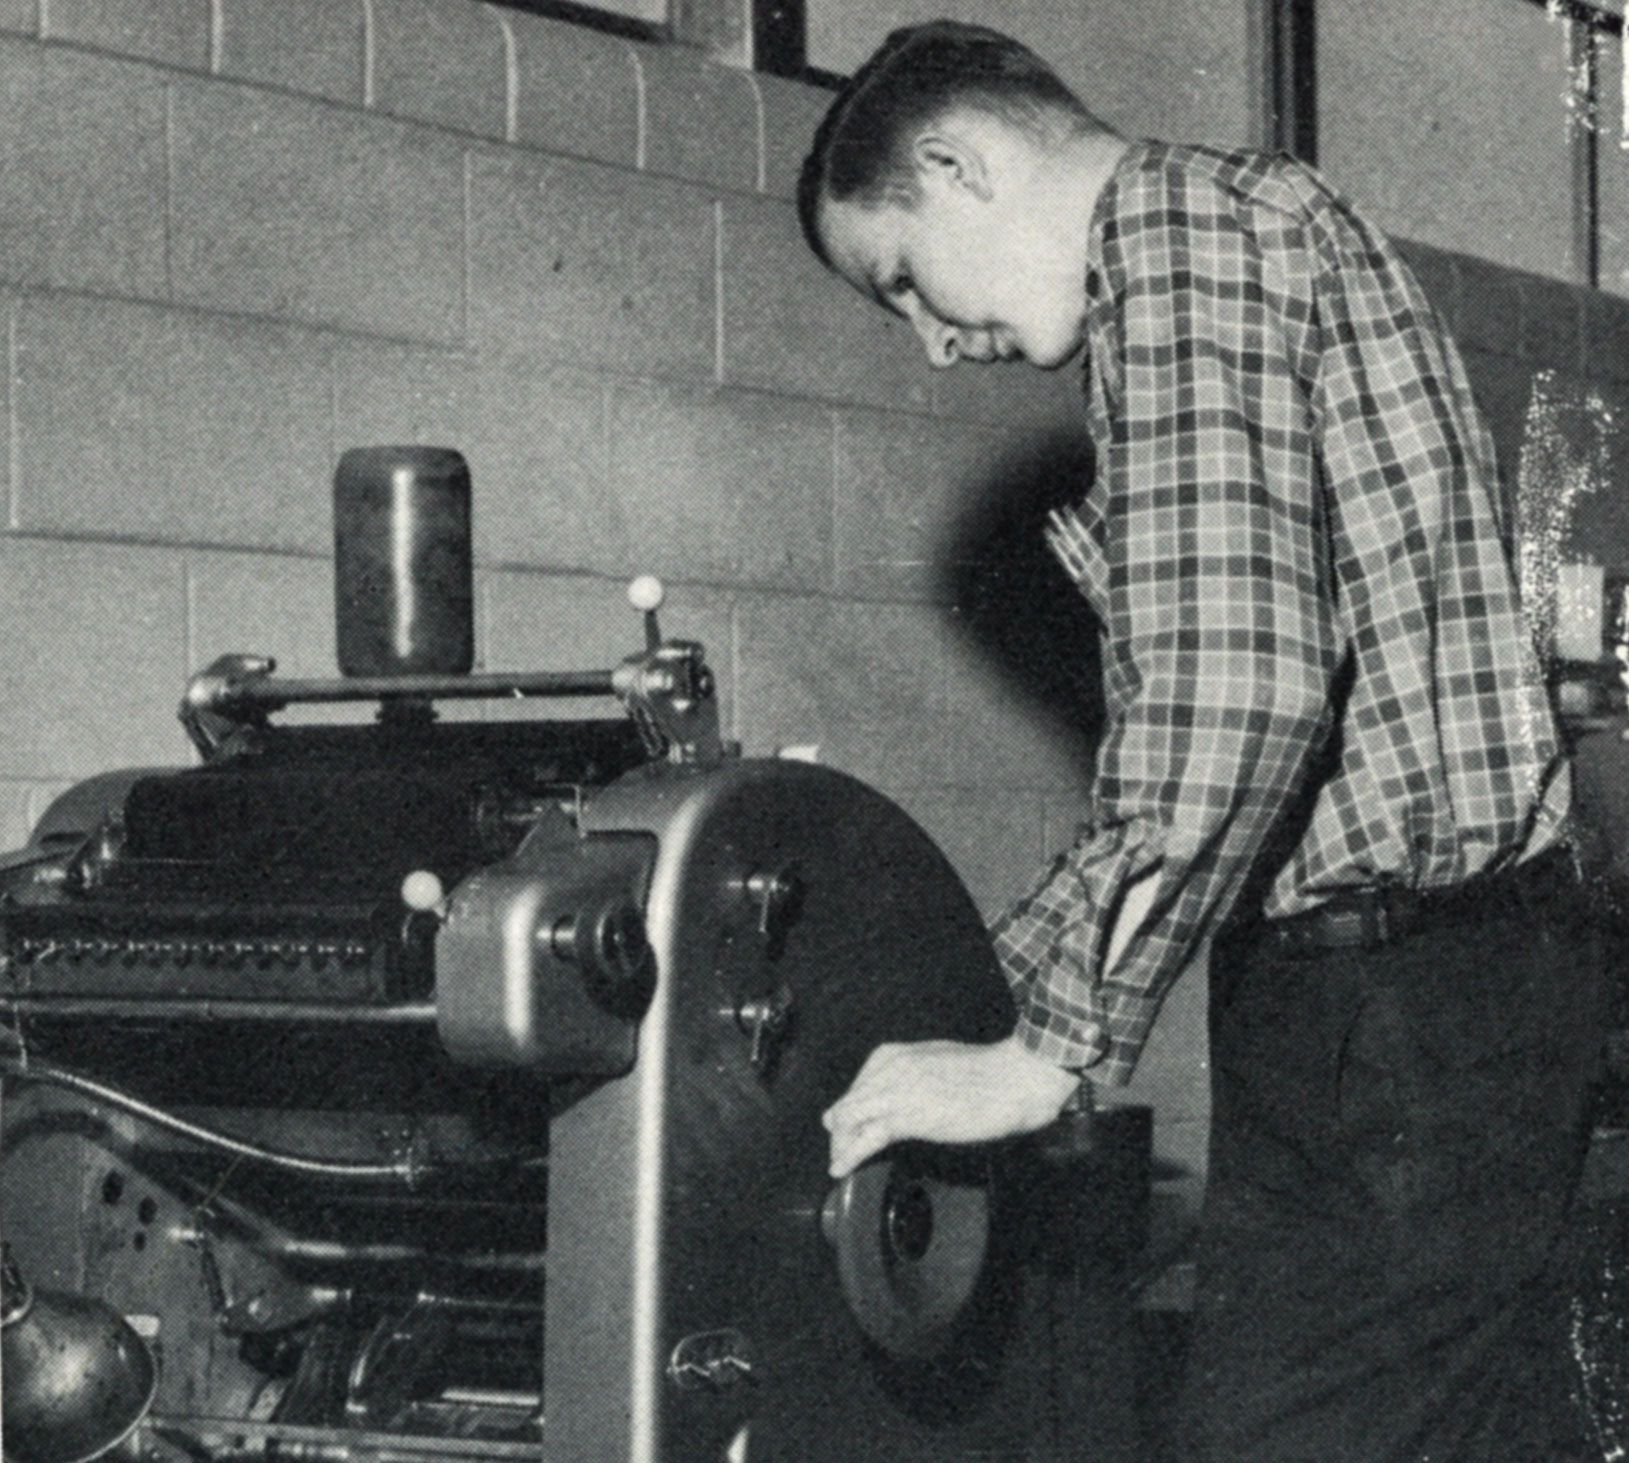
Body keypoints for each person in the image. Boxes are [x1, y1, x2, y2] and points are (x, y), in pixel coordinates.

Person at [799, 21, 1608, 1461]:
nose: (931, 344)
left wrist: (1045, 1052)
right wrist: (1000, 994)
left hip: (1394, 1012)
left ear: (956, 163)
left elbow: (1235, 697)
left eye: (904, 281)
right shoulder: (1258, 220)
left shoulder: (1174, 242)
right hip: (1446, 990)